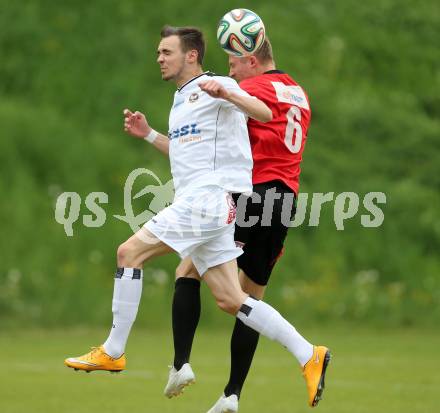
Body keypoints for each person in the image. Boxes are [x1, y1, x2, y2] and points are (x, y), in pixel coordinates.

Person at [64, 26, 328, 411]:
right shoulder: (181, 100)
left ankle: (114, 349)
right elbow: (184, 155)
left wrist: (229, 92)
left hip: (207, 202)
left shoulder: (216, 84)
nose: (159, 57)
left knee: (129, 252)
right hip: (208, 205)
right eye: (158, 52)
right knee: (230, 299)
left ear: (191, 56)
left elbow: (265, 111)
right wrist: (148, 134)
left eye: (166, 51)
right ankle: (309, 354)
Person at [165, 39, 330, 412]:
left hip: (249, 193)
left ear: (251, 60)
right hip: (284, 199)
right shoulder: (298, 93)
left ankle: (180, 364)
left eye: (233, 63)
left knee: (188, 269)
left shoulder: (247, 89)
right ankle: (232, 395)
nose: (230, 71)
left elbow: (212, 138)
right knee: (250, 297)